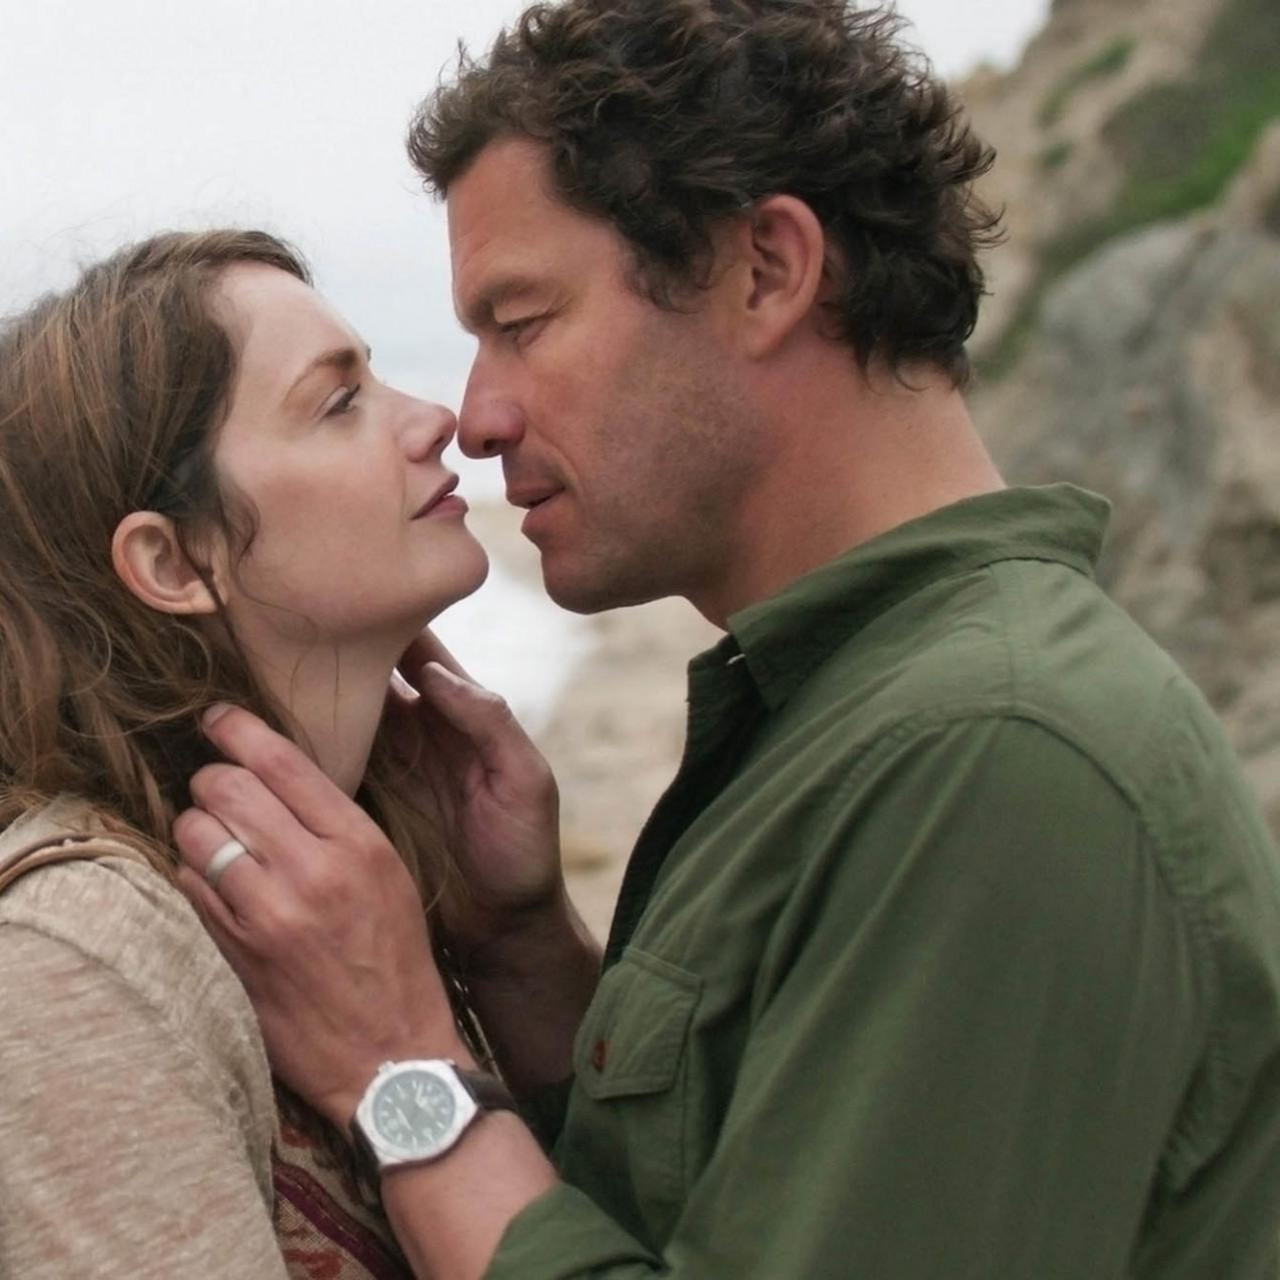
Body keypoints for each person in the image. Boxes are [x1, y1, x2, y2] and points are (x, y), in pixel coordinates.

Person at [174, 1, 1280, 1277]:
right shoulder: (859, 711)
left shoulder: (993, 750)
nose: (474, 417)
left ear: (765, 271)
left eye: (520, 322)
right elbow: (696, 1198)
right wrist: (523, 953)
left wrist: (393, 1060)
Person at [0, 228, 497, 1278]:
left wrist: (519, 944)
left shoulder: (363, 876)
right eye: (339, 401)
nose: (434, 418)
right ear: (175, 561)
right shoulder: (73, 958)